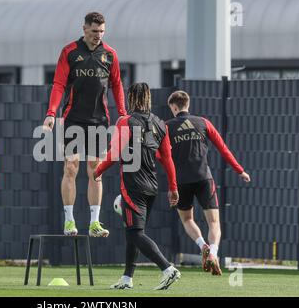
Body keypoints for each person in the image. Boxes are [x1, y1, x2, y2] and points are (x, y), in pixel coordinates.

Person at [42, 12, 127, 237]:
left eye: (101, 32)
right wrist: (51, 113)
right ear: (84, 29)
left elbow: (117, 85)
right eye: (93, 31)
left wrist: (123, 114)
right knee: (70, 167)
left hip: (99, 120)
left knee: (95, 171)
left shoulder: (110, 55)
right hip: (73, 119)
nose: (97, 36)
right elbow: (59, 84)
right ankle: (69, 221)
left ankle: (94, 223)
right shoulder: (69, 52)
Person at [94, 83, 181, 290]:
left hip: (133, 186)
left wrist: (97, 171)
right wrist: (173, 187)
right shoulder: (160, 124)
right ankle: (126, 278)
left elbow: (114, 153)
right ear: (149, 98)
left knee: (135, 233)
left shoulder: (125, 121)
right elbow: (167, 159)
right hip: (152, 187)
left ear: (131, 98)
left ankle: (168, 269)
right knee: (132, 232)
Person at [166, 90, 251, 276]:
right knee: (214, 223)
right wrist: (240, 170)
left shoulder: (167, 127)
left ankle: (202, 245)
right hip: (204, 178)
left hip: (181, 182)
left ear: (174, 107)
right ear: (187, 104)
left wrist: (171, 186)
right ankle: (213, 253)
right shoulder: (203, 122)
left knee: (187, 219)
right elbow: (223, 148)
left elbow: (161, 156)